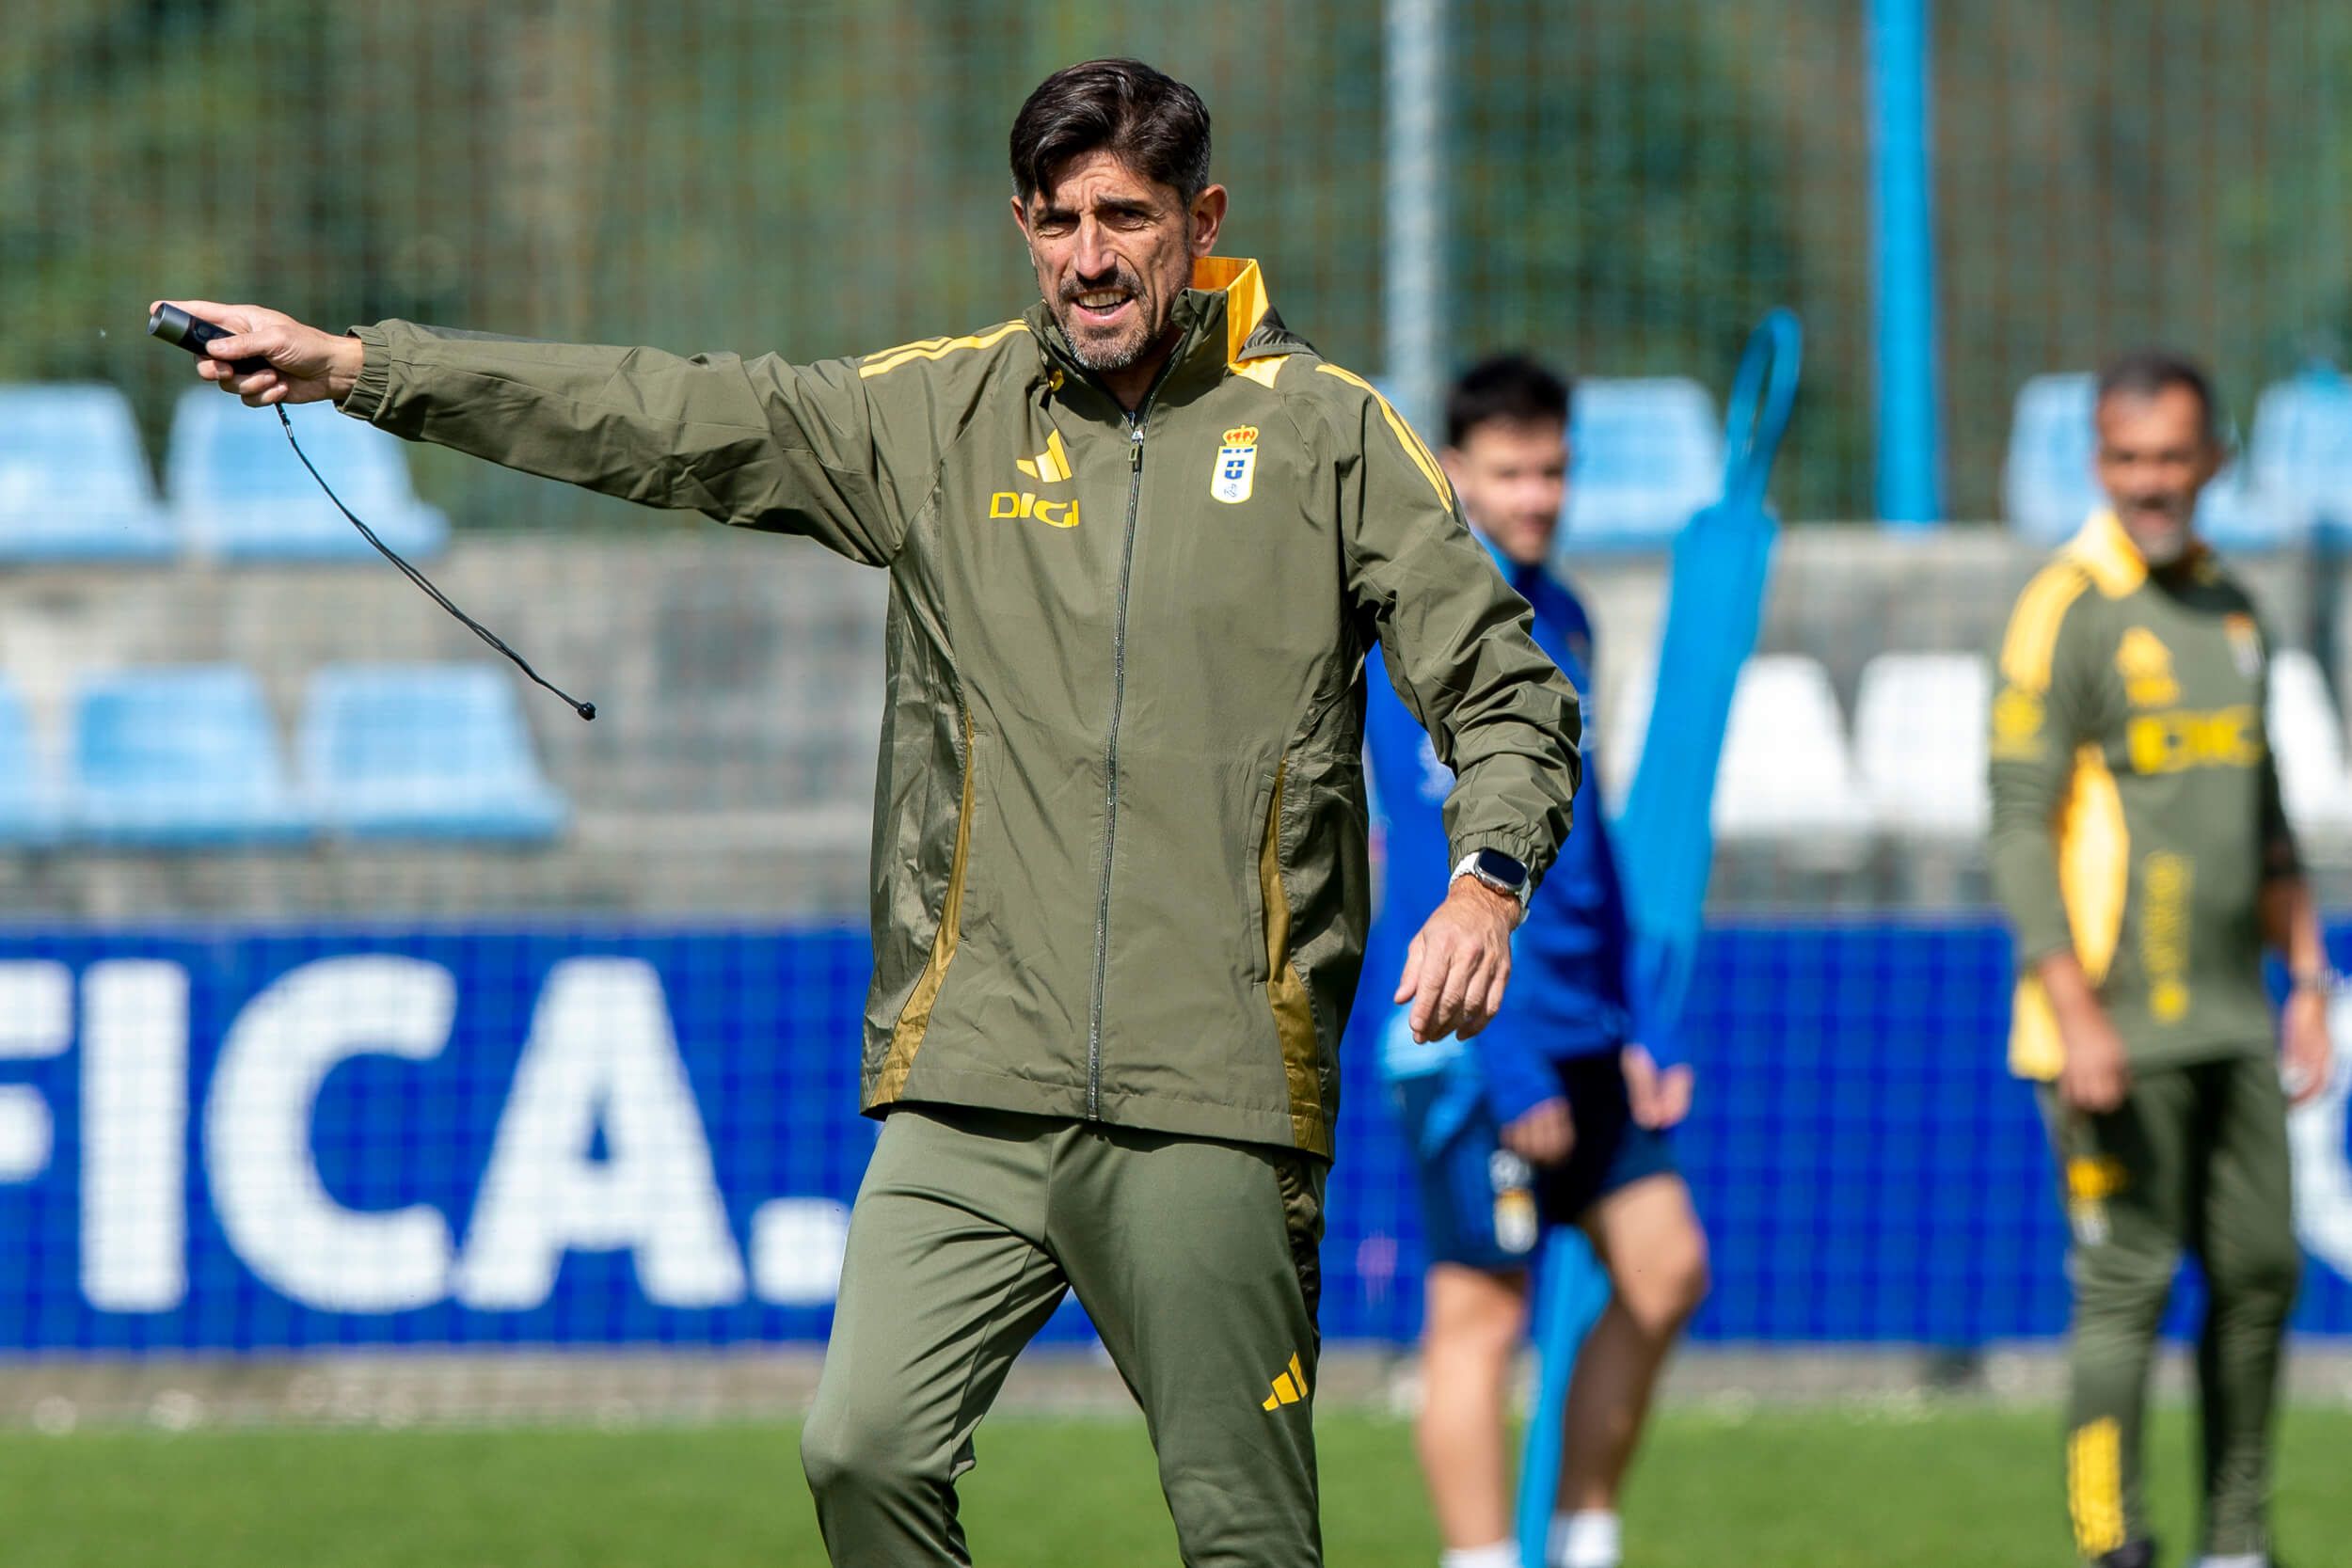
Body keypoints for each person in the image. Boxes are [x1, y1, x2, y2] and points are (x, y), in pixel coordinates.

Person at [161, 57, 1583, 1568]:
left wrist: (1485, 880)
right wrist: (367, 368)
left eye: (1122, 215)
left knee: (1247, 1540)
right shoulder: (936, 418)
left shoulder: (1329, 438)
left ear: (1201, 216)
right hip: (970, 1077)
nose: (1086, 257)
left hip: (1213, 1087)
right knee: (861, 1450)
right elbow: (662, 414)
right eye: (1052, 221)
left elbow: (1509, 693)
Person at [1988, 349, 2333, 1568]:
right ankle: (2111, 1546)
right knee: (2125, 1289)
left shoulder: (2233, 608)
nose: (2151, 481)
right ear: (2099, 463)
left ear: (2214, 460)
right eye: (2127, 459)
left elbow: (2270, 814)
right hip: (2110, 1029)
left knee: (2258, 1276)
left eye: (2172, 457)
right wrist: (2076, 1013)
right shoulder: (2066, 606)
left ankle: (2237, 1541)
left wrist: (2310, 982)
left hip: (2238, 1016)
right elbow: (2018, 826)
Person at [1363, 356, 1708, 1568]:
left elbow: (1592, 841)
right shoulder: (1428, 625)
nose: (1538, 494)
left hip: (1582, 1027)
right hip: (1471, 1043)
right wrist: (1508, 1070)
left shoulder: (1566, 618)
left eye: (1555, 468)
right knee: (1479, 1315)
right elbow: (1422, 871)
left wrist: (1644, 1028)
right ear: (1455, 474)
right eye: (1511, 471)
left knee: (1667, 1271)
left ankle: (1585, 1535)